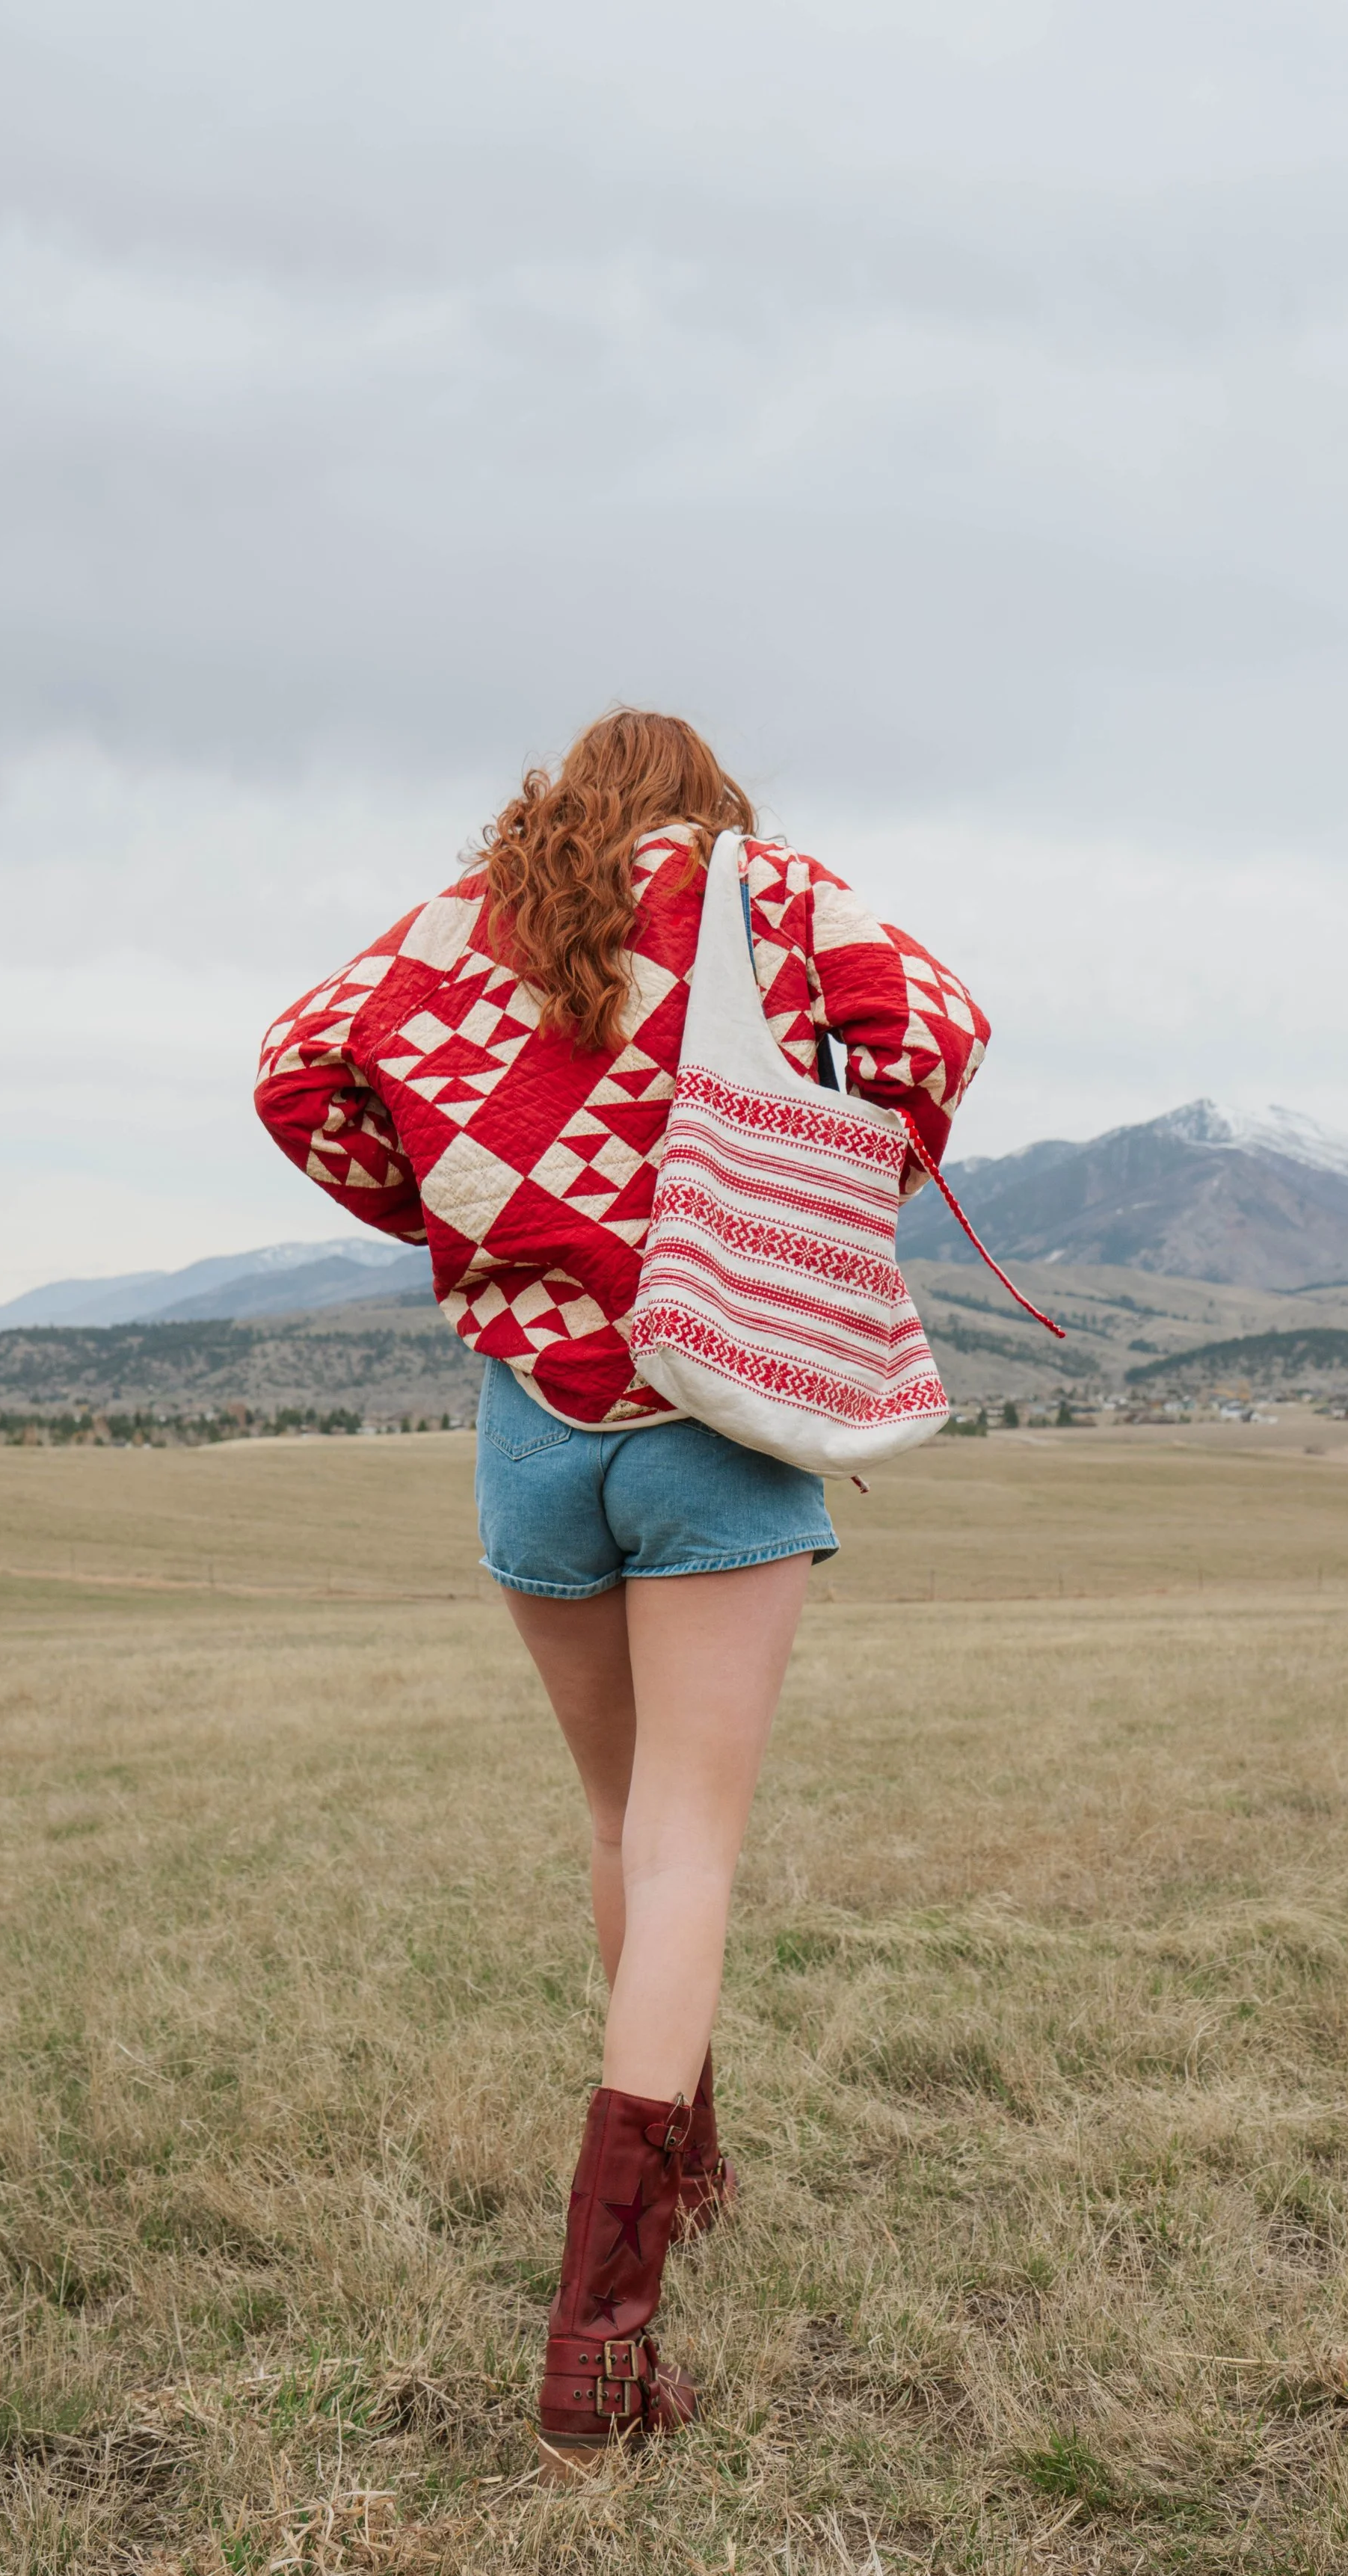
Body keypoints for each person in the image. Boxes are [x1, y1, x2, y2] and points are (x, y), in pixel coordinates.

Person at [253, 710, 988, 2474]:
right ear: (704, 802)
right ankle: (599, 2342)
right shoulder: (761, 894)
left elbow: (298, 1071)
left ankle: (693, 2161)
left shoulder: (455, 930)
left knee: (616, 1826)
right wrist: (830, 1167)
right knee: (691, 1847)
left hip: (531, 1420)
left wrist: (459, 1213)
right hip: (711, 1410)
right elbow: (936, 1024)